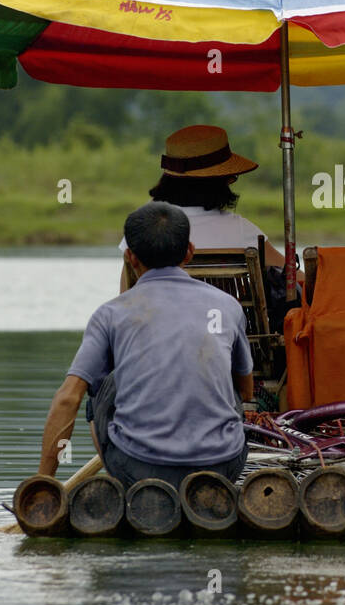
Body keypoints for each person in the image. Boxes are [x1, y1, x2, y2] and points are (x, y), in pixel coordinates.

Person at [41, 201, 252, 489]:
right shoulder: (227, 306)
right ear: (189, 252)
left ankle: (125, 483)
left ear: (130, 257)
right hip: (223, 465)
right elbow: (246, 389)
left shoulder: (111, 313)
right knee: (230, 390)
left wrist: (42, 483)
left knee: (103, 386)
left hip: (137, 469)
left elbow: (68, 399)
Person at [117, 125, 296, 292]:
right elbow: (295, 280)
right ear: (221, 181)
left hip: (159, 325)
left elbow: (126, 292)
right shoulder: (242, 231)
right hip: (226, 325)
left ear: (169, 179)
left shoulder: (144, 227)